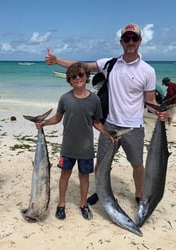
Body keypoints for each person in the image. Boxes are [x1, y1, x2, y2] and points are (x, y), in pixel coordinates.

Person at [44, 23, 168, 206]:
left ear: (140, 41)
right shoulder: (110, 64)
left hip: (134, 126)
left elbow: (150, 101)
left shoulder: (148, 71)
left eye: (134, 38)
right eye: (127, 39)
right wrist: (57, 60)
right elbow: (82, 66)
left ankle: (140, 193)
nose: (130, 42)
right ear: (121, 42)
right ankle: (100, 190)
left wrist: (160, 112)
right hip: (109, 125)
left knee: (137, 164)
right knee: (101, 164)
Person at [35, 62, 113, 220]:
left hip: (86, 148)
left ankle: (83, 204)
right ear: (69, 80)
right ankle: (61, 205)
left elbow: (96, 122)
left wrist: (108, 134)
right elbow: (57, 118)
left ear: (87, 77)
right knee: (65, 175)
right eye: (73, 77)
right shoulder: (65, 98)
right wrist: (44, 123)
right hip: (68, 147)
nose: (77, 78)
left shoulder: (94, 100)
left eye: (81, 75)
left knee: (84, 177)